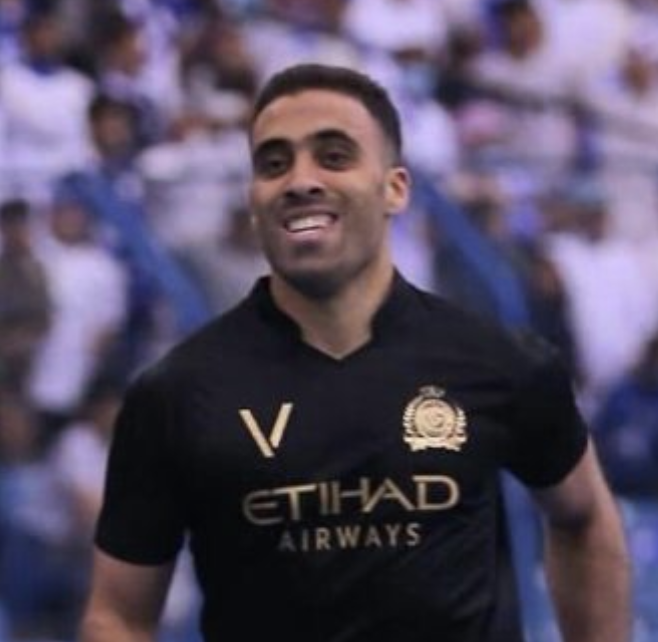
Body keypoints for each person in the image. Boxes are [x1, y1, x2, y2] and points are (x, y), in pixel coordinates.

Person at [80, 63, 631, 642]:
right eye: (274, 163)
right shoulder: (176, 393)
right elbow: (118, 615)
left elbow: (584, 517)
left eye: (334, 156)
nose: (300, 180)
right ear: (253, 200)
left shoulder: (498, 361)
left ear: (396, 188)